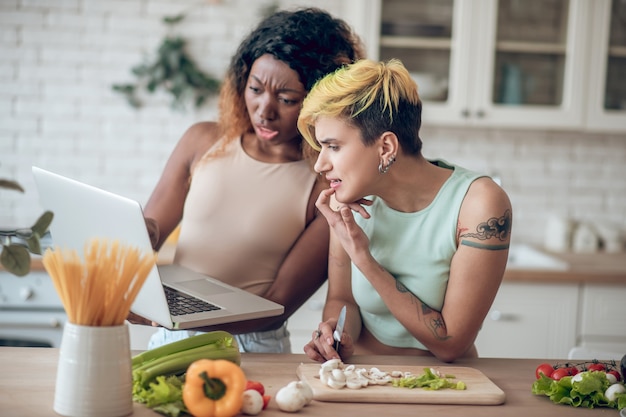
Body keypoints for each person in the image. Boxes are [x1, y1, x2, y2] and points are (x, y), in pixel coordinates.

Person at [133, 8, 365, 353]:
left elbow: (276, 306)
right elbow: (147, 238)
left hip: (251, 348)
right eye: (255, 89)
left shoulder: (326, 185)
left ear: (321, 104)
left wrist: (177, 314)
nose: (264, 110)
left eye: (287, 100)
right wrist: (138, 235)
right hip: (170, 332)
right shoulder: (201, 141)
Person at [297, 58, 513, 363]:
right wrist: (334, 332)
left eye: (333, 147)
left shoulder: (479, 205)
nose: (320, 164)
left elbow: (450, 343)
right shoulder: (344, 201)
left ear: (386, 147)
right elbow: (343, 299)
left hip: (447, 385)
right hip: (363, 375)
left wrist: (363, 258)